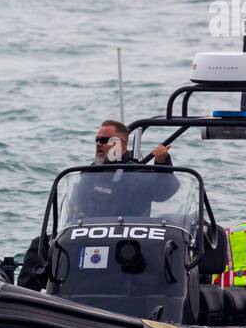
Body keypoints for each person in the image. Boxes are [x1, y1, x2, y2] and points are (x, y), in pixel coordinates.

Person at [16, 120, 177, 289]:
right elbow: (73, 207)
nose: (99, 144)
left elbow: (164, 191)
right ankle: (23, 302)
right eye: (97, 140)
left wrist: (162, 163)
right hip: (85, 233)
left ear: (120, 144)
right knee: (39, 246)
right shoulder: (88, 173)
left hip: (125, 237)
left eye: (104, 140)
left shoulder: (137, 172)